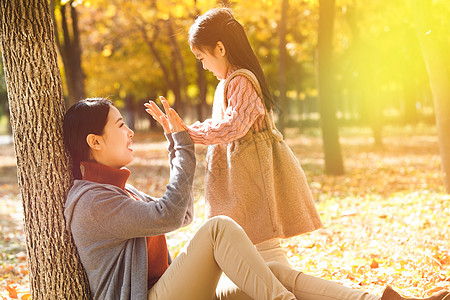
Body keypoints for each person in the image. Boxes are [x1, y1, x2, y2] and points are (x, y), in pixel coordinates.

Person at [172, 7, 323, 265]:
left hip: (254, 179)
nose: (204, 66)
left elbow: (233, 126)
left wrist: (188, 133)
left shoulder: (241, 80)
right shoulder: (227, 83)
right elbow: (223, 123)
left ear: (220, 48)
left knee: (266, 253)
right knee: (258, 255)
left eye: (202, 58)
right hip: (241, 179)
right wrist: (186, 130)